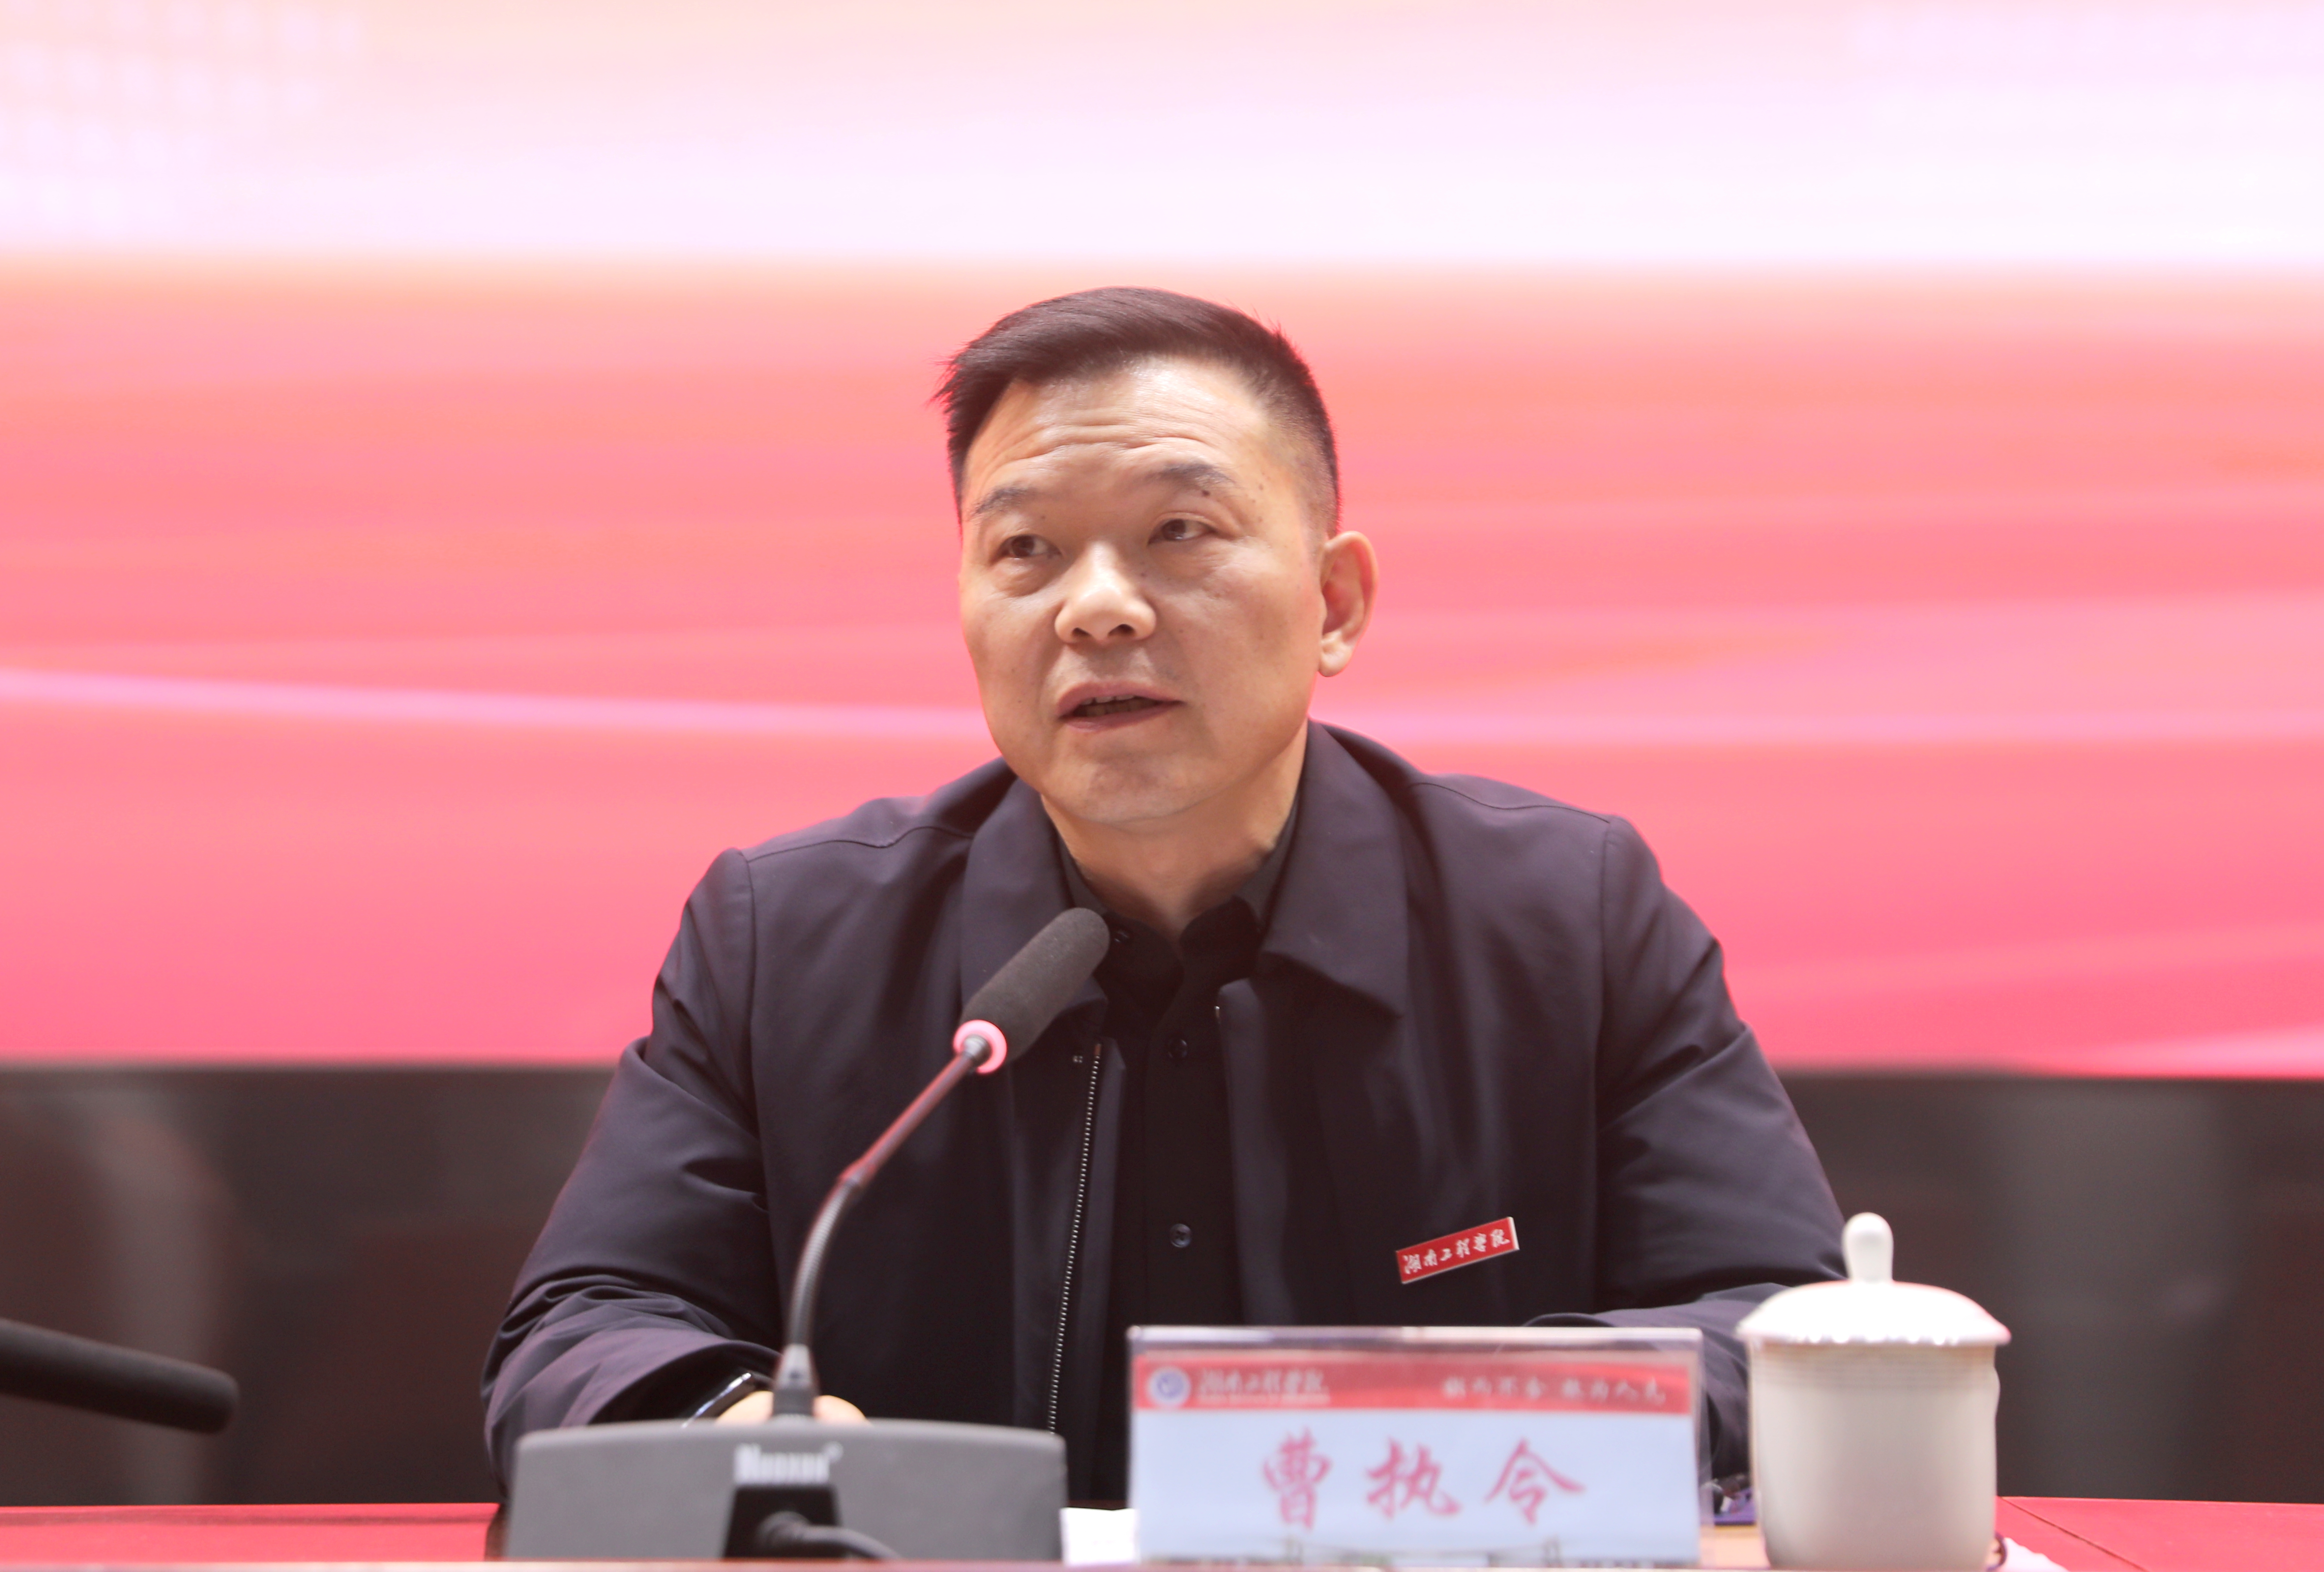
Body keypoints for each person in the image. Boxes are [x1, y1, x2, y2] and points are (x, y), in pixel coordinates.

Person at [483, 287, 1843, 1502]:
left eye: (1180, 531)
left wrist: (1446, 1437)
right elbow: (582, 1330)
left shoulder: (1564, 920)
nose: (1098, 608)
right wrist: (746, 1432)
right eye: (1026, 549)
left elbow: (1782, 1324)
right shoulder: (785, 940)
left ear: (1335, 602)